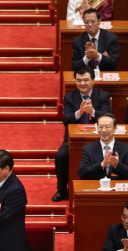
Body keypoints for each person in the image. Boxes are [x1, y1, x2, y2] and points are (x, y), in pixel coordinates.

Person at [53, 65, 110, 202]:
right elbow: (66, 120)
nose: (82, 84)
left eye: (85, 80)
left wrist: (93, 112)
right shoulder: (70, 97)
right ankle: (62, 190)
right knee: (61, 156)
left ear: (93, 80)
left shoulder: (102, 96)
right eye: (79, 80)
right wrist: (79, 112)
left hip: (99, 138)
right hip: (73, 139)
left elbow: (109, 118)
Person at [78, 113, 128, 180]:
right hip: (96, 187)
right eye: (100, 127)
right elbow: (82, 174)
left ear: (115, 128)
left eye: (107, 127)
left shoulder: (126, 149)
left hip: (117, 188)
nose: (103, 130)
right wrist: (102, 165)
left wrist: (117, 165)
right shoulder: (88, 148)